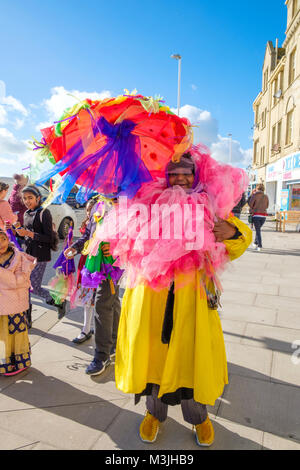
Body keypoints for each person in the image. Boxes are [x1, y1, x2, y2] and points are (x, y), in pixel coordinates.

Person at [99, 150, 252, 447]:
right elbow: (125, 231)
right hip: (150, 297)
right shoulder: (148, 201)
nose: (180, 178)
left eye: (186, 173)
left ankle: (199, 418)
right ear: (165, 176)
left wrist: (233, 231)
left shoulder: (209, 203)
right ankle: (153, 414)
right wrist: (114, 245)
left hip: (190, 297)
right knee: (153, 359)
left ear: (195, 175)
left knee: (191, 358)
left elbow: (238, 236)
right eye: (174, 173)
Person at [64, 198, 121, 375]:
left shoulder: (129, 204)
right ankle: (114, 343)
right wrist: (75, 247)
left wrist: (116, 247)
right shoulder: (99, 205)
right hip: (96, 264)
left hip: (116, 263)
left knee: (102, 305)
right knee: (110, 302)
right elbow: (89, 234)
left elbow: (138, 235)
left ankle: (101, 355)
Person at [14, 185, 66, 326]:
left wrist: (29, 233)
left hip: (40, 255)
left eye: (30, 198)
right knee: (25, 287)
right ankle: (27, 319)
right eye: (25, 198)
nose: (27, 201)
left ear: (38, 198)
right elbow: (26, 236)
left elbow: (48, 238)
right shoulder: (26, 214)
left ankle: (59, 301)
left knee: (34, 287)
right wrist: (19, 231)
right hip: (27, 255)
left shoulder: (44, 213)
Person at [0, 228, 36, 376]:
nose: (1, 243)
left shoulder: (19, 257)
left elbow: (22, 279)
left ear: (8, 239)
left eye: (3, 239)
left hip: (15, 303)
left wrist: (5, 278)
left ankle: (20, 362)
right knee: (2, 335)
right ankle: (5, 363)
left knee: (17, 332)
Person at [71, 198, 98, 344]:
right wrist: (74, 247)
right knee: (87, 299)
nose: (89, 212)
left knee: (100, 301)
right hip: (86, 264)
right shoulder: (88, 223)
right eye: (87, 209)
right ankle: (86, 329)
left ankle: (106, 332)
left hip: (99, 266)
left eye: (92, 209)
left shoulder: (106, 223)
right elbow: (84, 238)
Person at [248, 183, 269, 252]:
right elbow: (267, 206)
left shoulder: (255, 195)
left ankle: (260, 246)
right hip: (263, 216)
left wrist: (252, 194)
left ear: (257, 188)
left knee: (258, 231)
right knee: (258, 230)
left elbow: (250, 204)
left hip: (256, 215)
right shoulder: (266, 196)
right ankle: (255, 242)